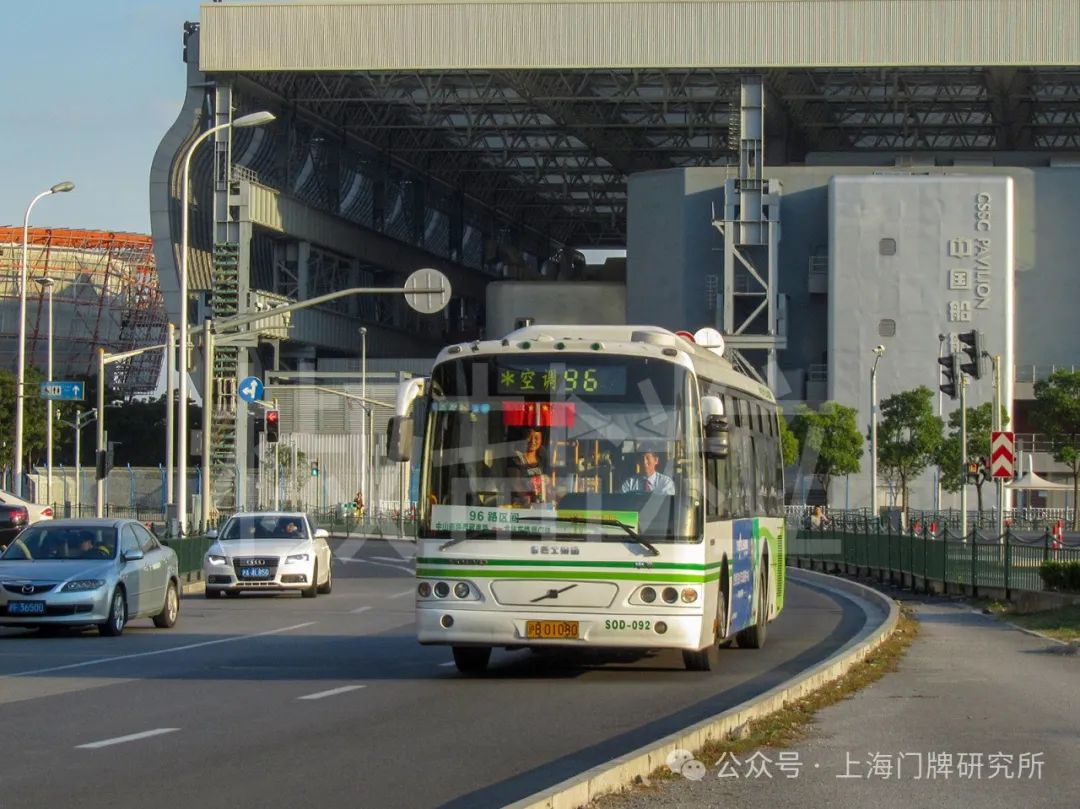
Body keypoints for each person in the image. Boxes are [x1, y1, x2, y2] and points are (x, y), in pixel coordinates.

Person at [508, 428, 548, 505]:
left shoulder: (543, 456)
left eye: (536, 438)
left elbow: (549, 479)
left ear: (541, 439)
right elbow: (516, 483)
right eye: (529, 437)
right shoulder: (516, 458)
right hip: (521, 503)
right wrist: (525, 497)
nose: (532, 441)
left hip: (541, 501)